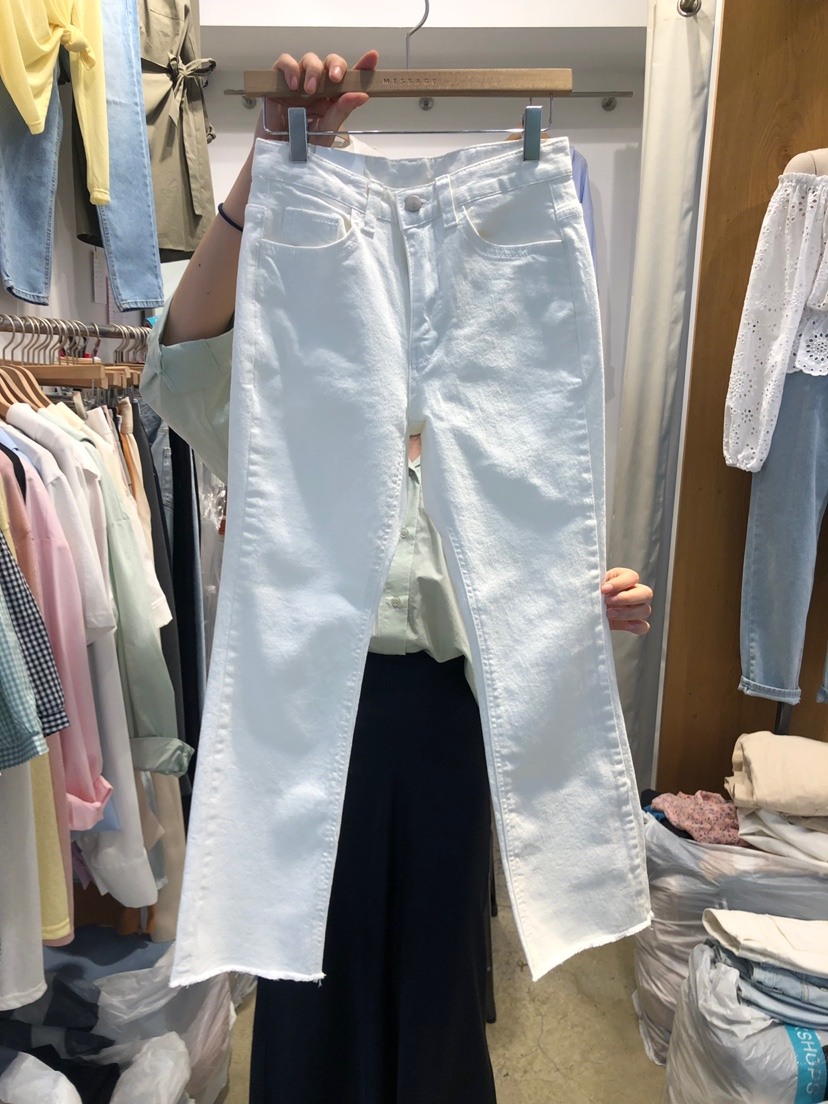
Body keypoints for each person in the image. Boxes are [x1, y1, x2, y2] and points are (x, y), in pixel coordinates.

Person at [142, 49, 654, 1104]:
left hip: (448, 716)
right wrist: (266, 175)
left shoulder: (499, 432)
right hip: (315, 714)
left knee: (438, 980)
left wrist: (577, 604)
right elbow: (181, 354)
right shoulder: (289, 416)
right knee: (308, 985)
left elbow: (520, 576)